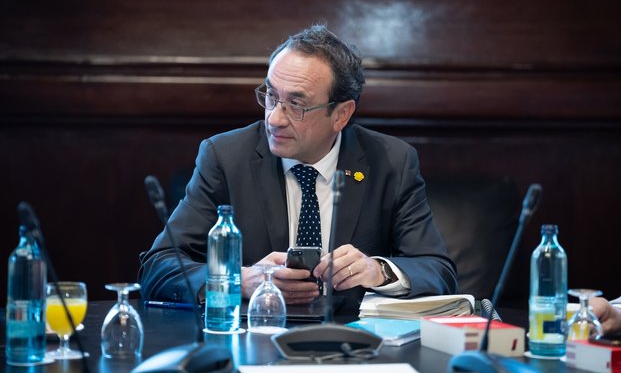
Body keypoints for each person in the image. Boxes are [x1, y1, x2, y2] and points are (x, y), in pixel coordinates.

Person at [138, 24, 459, 305]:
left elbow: (437, 269)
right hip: (254, 337)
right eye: (271, 96)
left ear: (341, 114)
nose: (274, 118)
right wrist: (241, 280)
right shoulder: (225, 156)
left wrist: (378, 271)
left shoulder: (391, 161)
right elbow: (160, 266)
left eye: (296, 104)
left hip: (353, 344)